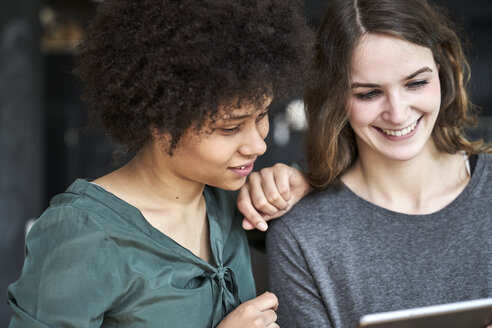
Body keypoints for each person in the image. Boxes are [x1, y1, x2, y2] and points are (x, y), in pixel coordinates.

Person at [7, 0, 313, 327]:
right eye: (230, 127)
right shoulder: (81, 234)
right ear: (160, 118)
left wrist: (302, 181)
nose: (258, 144)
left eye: (262, 115)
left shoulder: (230, 199)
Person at [257, 0, 492, 327]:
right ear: (334, 96)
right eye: (368, 93)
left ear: (443, 66)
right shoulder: (303, 236)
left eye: (415, 83)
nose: (397, 113)